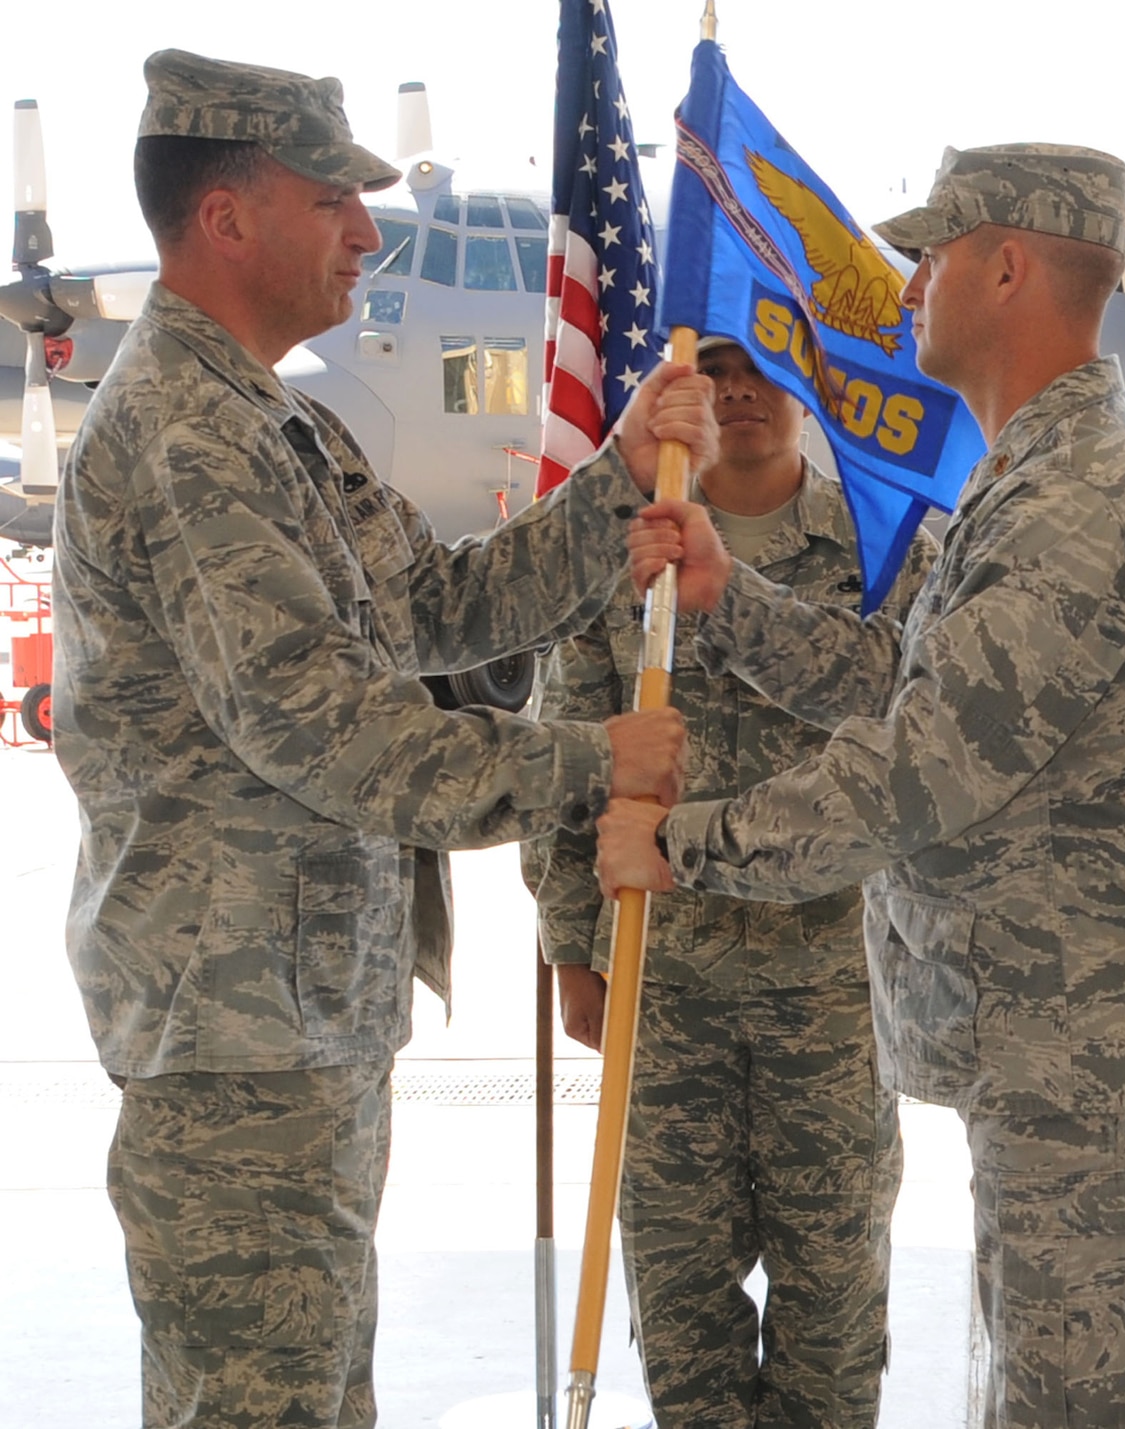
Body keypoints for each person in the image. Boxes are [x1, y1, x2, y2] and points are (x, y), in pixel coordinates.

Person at [53, 50, 711, 1427]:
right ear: (226, 218)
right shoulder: (186, 435)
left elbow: (439, 609)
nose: (368, 231)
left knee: (310, 1392)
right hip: (234, 1030)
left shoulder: (279, 423)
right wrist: (590, 765)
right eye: (331, 200)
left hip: (295, 1015)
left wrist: (614, 485)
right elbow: (326, 731)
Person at [599, 144, 1125, 1428]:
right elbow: (907, 679)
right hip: (1063, 1059)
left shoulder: (1073, 501)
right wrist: (731, 602)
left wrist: (680, 845)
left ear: (1005, 268)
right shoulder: (1030, 477)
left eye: (931, 256)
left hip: (1101, 1067)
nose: (907, 287)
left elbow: (912, 770)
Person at [522, 334, 933, 1426]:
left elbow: (924, 749)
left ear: (811, 385)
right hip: (664, 986)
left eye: (764, 369)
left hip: (836, 989)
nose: (741, 392)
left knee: (834, 1298)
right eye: (714, 372)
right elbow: (566, 756)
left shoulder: (883, 548)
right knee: (680, 1299)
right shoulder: (631, 545)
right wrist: (571, 947)